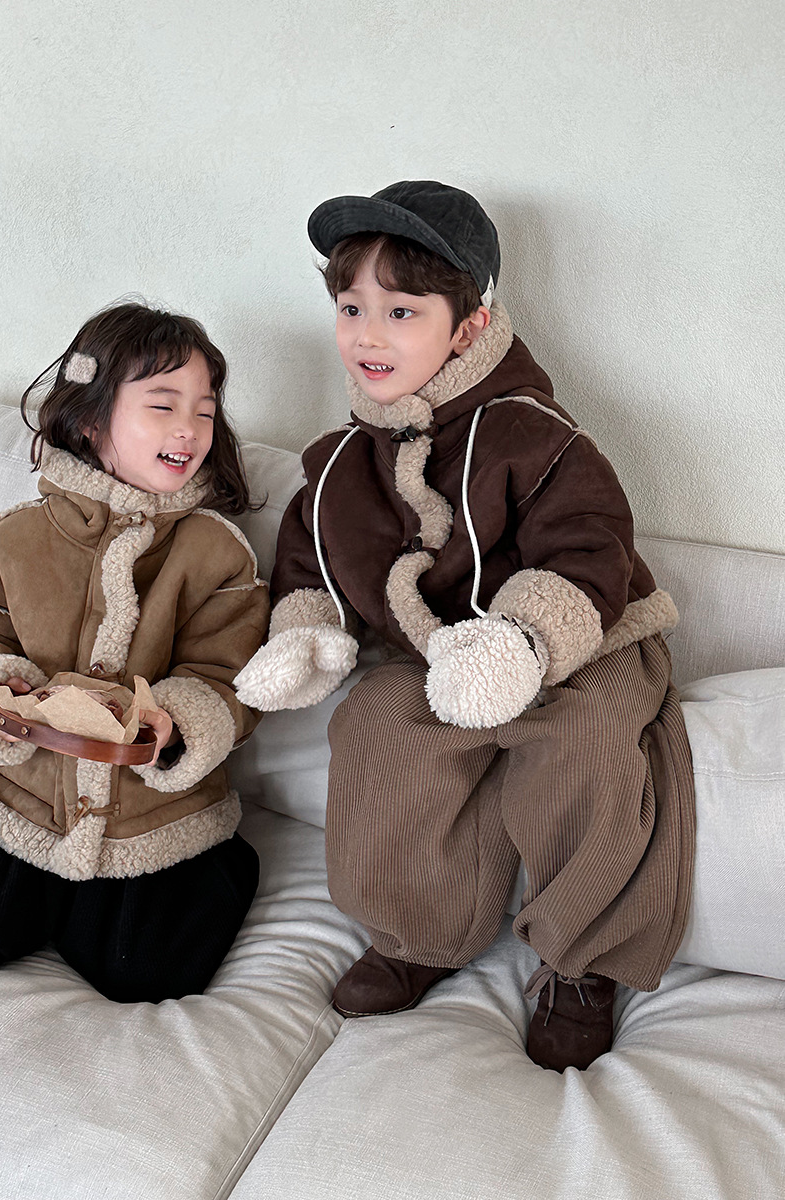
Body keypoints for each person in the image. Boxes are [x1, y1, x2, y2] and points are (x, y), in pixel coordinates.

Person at [235, 181, 694, 1072]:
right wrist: (307, 632)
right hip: (440, 652)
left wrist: (522, 641)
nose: (369, 335)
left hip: (580, 640)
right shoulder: (342, 463)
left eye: (401, 311)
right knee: (377, 724)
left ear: (469, 326)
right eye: (351, 308)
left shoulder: (537, 436)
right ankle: (418, 931)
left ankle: (581, 962)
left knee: (587, 743)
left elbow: (587, 548)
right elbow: (310, 558)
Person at [0, 302, 270, 1003]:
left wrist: (176, 725)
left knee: (142, 972)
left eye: (205, 410)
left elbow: (231, 674)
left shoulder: (217, 554)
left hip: (153, 813)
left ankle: (223, 866)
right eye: (163, 405)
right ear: (91, 421)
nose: (189, 428)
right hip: (21, 791)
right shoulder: (16, 538)